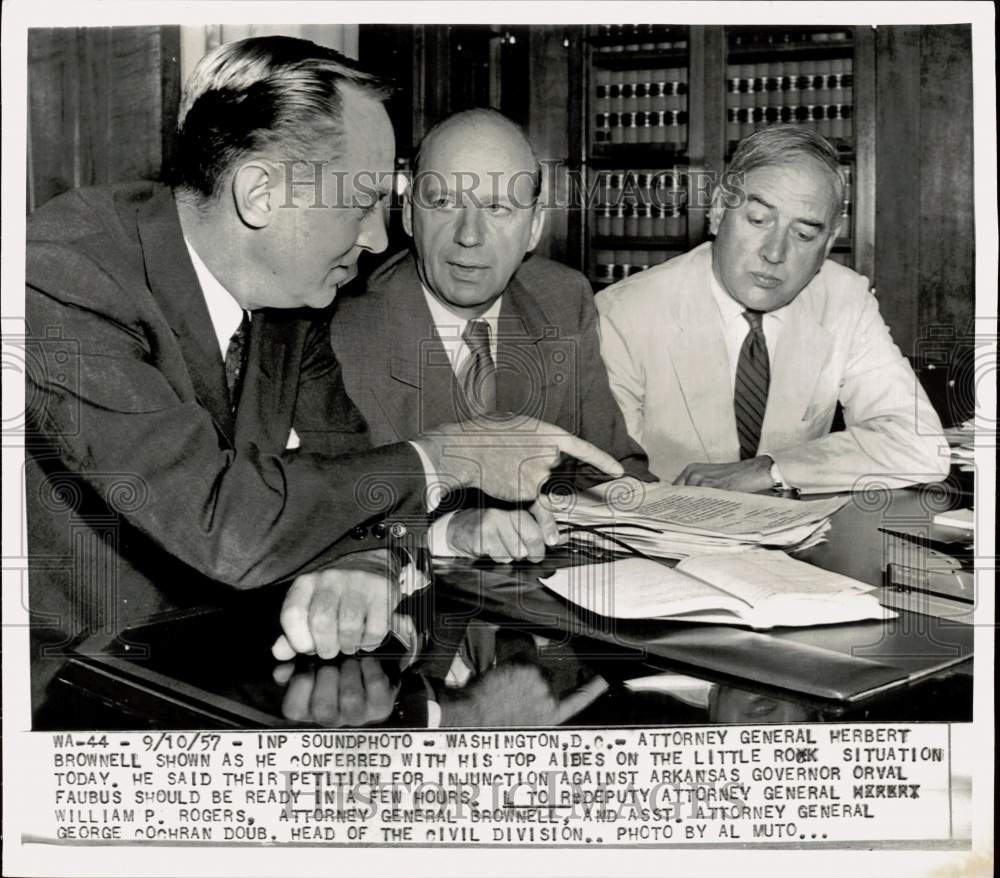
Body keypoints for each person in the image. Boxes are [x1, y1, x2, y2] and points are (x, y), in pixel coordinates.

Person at [24, 37, 622, 715]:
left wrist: (374, 557)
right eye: (362, 202)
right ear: (259, 193)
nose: (376, 239)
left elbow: (354, 471)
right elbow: (224, 522)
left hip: (218, 677)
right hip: (57, 702)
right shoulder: (63, 275)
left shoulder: (293, 300)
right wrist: (450, 456)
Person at [330, 108, 652, 563]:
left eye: (498, 207)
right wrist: (448, 529)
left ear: (534, 226)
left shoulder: (562, 297)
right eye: (443, 203)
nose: (469, 236)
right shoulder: (343, 323)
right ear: (408, 215)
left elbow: (611, 473)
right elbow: (316, 512)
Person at [596, 126, 948, 493]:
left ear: (829, 241)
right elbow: (611, 478)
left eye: (804, 235)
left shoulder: (845, 298)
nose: (774, 253)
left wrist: (772, 469)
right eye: (758, 220)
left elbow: (919, 443)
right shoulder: (625, 313)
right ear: (718, 211)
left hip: (795, 541)